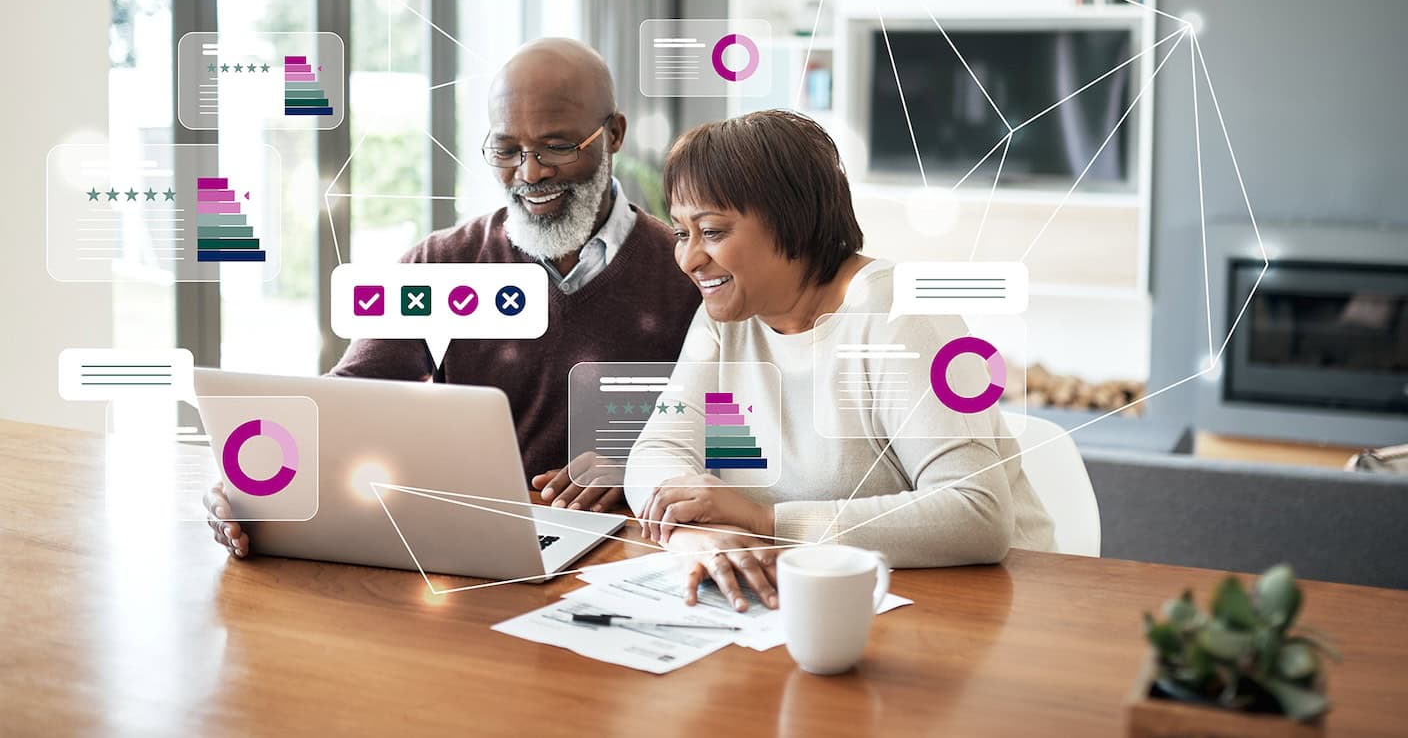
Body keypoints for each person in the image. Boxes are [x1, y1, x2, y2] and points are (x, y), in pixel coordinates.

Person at [206, 39, 703, 558]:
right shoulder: (441, 264)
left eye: (557, 147)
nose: (530, 174)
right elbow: (346, 403)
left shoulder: (688, 271)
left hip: (630, 557)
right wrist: (250, 481)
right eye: (507, 150)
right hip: (472, 549)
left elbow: (741, 430)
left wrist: (646, 461)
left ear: (614, 135)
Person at [624, 109, 1054, 610]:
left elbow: (977, 514)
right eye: (681, 233)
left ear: (794, 222)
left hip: (994, 606)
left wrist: (765, 522)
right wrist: (691, 535)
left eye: (713, 232)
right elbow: (656, 450)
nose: (689, 258)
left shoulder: (902, 317)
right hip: (831, 597)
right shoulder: (725, 320)